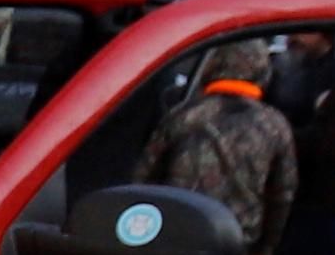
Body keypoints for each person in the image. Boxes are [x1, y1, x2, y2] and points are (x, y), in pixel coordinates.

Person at [127, 58, 300, 239]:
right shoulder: (274, 124)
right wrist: (267, 248)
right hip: (234, 241)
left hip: (176, 234)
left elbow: (144, 178)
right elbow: (282, 194)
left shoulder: (183, 115)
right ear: (263, 73)